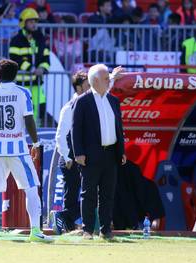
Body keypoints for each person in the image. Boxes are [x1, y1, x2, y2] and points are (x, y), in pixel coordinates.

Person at [0, 59, 53, 243]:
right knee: (31, 189)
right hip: (18, 148)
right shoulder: (23, 92)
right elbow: (29, 119)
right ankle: (35, 230)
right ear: (15, 75)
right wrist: (35, 143)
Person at [72, 64, 126, 241]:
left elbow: (118, 128)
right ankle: (88, 230)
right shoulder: (82, 101)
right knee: (88, 194)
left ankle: (105, 231)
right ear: (95, 80)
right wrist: (78, 152)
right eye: (105, 78)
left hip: (111, 154)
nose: (109, 80)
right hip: (90, 155)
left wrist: (121, 151)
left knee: (108, 194)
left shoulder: (113, 101)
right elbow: (75, 129)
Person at [52, 71, 89, 235]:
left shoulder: (87, 104)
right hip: (70, 158)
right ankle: (63, 220)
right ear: (79, 87)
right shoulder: (69, 107)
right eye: (88, 85)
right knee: (72, 194)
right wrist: (67, 157)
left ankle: (66, 222)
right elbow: (60, 136)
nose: (91, 88)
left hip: (79, 156)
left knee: (80, 194)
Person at [9, 8, 51, 126]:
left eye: (35, 22)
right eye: (31, 22)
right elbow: (15, 59)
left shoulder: (40, 38)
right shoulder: (16, 40)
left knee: (40, 110)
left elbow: (46, 57)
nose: (34, 24)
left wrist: (42, 69)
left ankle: (37, 137)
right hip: (23, 84)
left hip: (37, 83)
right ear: (24, 23)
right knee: (22, 113)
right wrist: (32, 69)